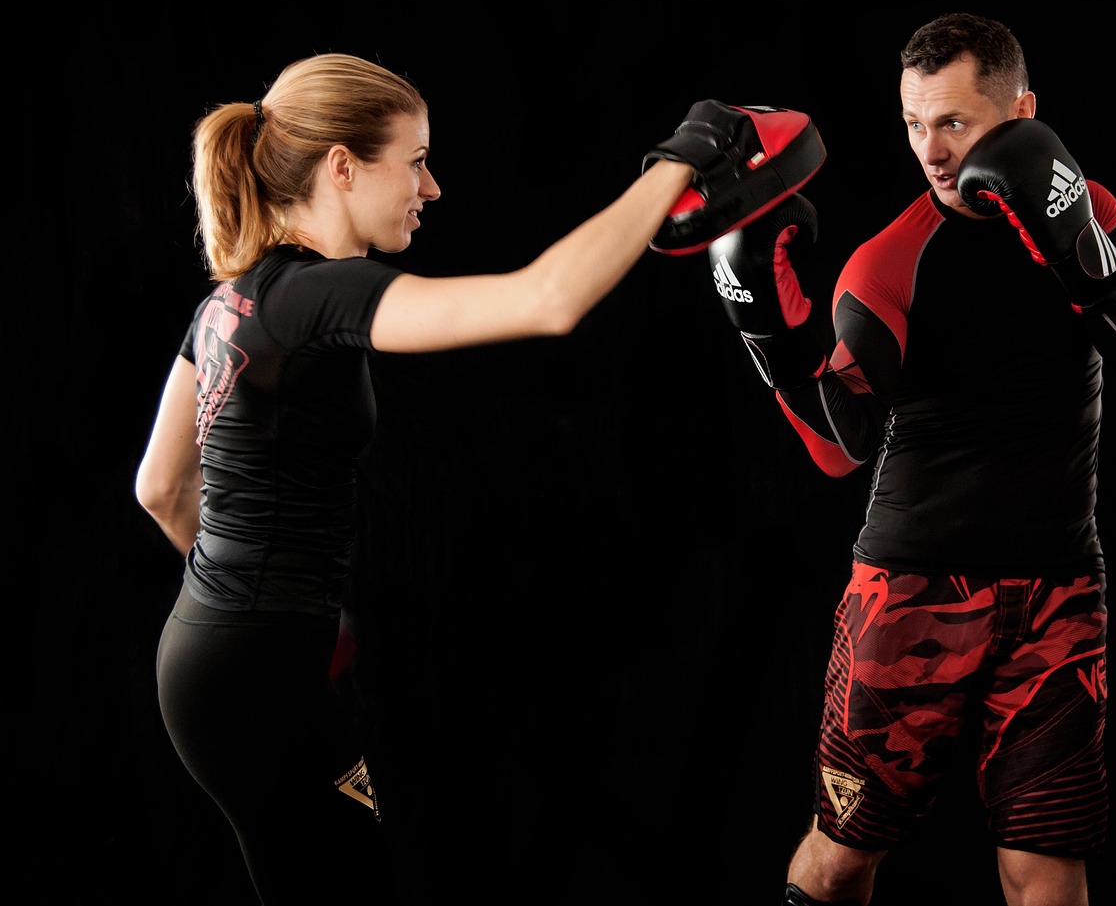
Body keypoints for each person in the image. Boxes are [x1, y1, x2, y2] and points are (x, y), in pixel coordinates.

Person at [133, 53, 820, 905]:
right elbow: (547, 299)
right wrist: (682, 159)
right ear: (342, 167)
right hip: (258, 674)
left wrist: (261, 602)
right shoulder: (319, 295)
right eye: (415, 161)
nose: (432, 188)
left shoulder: (231, 300)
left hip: (206, 656)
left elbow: (160, 488)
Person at [700, 13, 1116, 905]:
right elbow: (839, 448)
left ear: (1022, 113)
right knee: (842, 857)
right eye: (915, 123)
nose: (931, 148)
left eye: (953, 121)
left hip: (1058, 591)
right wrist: (777, 345)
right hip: (913, 589)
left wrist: (1081, 254)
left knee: (1048, 867)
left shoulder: (1091, 207)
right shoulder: (889, 262)